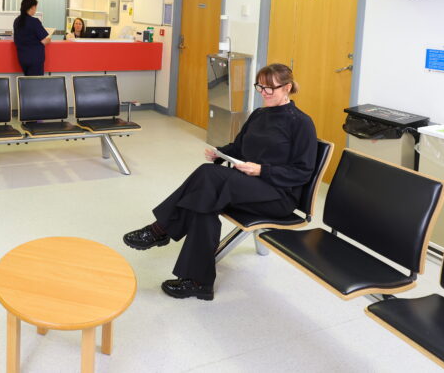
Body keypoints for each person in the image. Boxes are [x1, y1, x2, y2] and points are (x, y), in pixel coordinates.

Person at [122, 63, 317, 300]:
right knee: (203, 204)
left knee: (208, 176)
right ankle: (198, 282)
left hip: (277, 195)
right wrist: (220, 153)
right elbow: (239, 147)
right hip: (248, 187)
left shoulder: (301, 123)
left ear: (287, 88)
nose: (264, 93)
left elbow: (302, 172)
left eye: (270, 89)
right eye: (260, 87)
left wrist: (262, 170)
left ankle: (160, 229)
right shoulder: (259, 114)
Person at [13, 0, 51, 76]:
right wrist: (49, 39)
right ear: (32, 7)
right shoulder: (34, 21)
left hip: (22, 57)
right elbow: (44, 40)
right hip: (35, 58)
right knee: (35, 83)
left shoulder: (17, 21)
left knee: (27, 82)